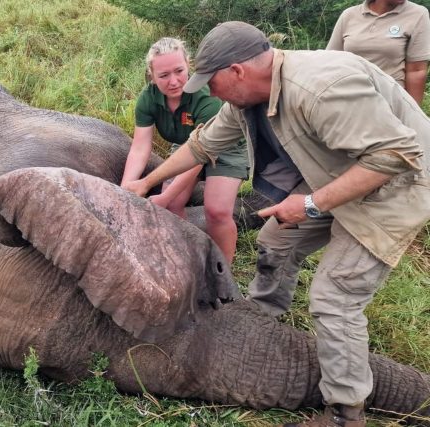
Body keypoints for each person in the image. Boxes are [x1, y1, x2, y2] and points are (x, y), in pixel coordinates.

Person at [124, 21, 430, 426]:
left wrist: (310, 203)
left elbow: (395, 156)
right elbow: (203, 144)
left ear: (237, 71)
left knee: (334, 297)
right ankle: (263, 313)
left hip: (399, 185)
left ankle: (344, 412)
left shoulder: (320, 89)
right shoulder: (249, 97)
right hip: (340, 173)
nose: (206, 92)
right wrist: (144, 182)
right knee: (275, 241)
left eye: (210, 82)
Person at [120, 37, 249, 264]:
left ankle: (223, 274)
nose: (174, 81)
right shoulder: (148, 99)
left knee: (216, 211)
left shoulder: (206, 98)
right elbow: (140, 147)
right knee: (172, 204)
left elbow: (203, 151)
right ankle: (185, 258)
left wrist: (164, 195)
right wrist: (125, 189)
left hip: (225, 148)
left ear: (188, 65)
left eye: (179, 71)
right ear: (151, 75)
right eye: (163, 75)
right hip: (187, 145)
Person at [327, 0, 430, 105]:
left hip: (389, 102)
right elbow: (330, 61)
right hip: (349, 99)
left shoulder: (417, 14)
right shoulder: (349, 15)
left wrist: (412, 114)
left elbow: (416, 71)